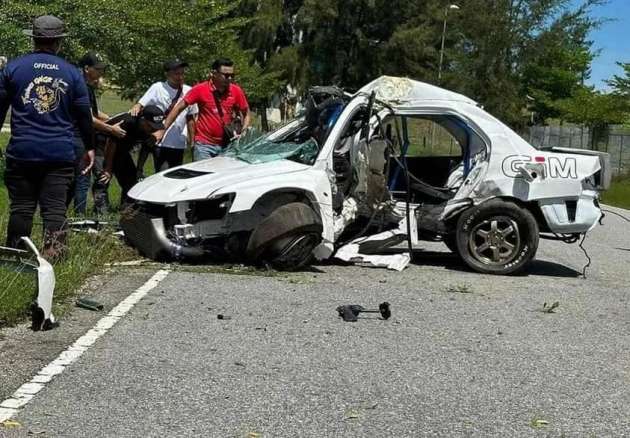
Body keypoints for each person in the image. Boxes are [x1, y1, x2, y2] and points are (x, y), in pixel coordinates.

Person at [0, 15, 95, 259]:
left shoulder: (13, 69)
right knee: (55, 209)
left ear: (34, 39)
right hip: (59, 152)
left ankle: (15, 256)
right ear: (59, 42)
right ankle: (55, 258)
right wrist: (90, 147)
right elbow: (84, 115)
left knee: (21, 208)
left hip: (22, 151)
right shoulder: (73, 73)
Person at [154, 58, 251, 161]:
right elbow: (178, 108)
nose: (230, 78)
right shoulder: (200, 89)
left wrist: (243, 132)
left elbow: (247, 113)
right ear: (214, 73)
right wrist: (163, 130)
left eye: (232, 75)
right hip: (204, 146)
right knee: (204, 177)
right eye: (226, 75)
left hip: (228, 146)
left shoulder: (236, 90)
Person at [69, 52, 126, 215]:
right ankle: (79, 219)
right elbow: (89, 118)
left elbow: (94, 112)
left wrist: (113, 118)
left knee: (75, 180)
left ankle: (67, 214)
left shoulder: (86, 86)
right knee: (82, 180)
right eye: (98, 69)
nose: (101, 72)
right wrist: (111, 129)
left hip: (81, 136)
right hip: (78, 137)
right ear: (87, 68)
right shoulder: (81, 86)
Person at [130, 59, 197, 173]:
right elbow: (141, 104)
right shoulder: (158, 88)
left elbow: (190, 117)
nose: (180, 77)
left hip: (179, 143)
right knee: (162, 174)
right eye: (176, 74)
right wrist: (136, 107)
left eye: (182, 73)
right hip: (160, 141)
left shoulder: (189, 91)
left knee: (175, 177)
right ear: (167, 74)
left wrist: (192, 141)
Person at [96, 106, 165, 208]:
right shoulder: (128, 121)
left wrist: (139, 169)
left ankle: (127, 210)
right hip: (101, 145)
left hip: (121, 149)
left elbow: (146, 148)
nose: (153, 129)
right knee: (103, 178)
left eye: (155, 127)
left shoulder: (148, 129)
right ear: (143, 120)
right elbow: (111, 142)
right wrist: (108, 168)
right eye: (151, 126)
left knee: (131, 181)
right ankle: (102, 214)